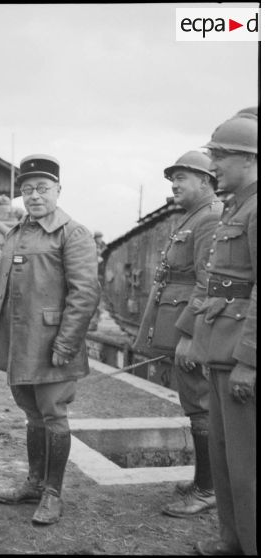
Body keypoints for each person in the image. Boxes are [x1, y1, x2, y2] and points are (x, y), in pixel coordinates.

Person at [0, 154, 100, 525]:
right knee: (32, 414)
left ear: (58, 190)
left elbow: (84, 295)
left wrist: (66, 344)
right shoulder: (17, 232)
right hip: (19, 344)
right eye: (28, 189)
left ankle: (53, 493)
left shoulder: (72, 233)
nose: (34, 195)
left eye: (43, 188)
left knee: (54, 415)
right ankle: (34, 484)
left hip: (50, 344)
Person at [134, 151, 222, 518]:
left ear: (205, 181)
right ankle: (205, 480)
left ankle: (207, 489)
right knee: (195, 403)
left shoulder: (210, 217)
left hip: (194, 328)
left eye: (182, 177)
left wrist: (189, 335)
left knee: (200, 405)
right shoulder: (193, 215)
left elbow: (208, 282)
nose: (174, 183)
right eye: (173, 177)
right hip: (180, 321)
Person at [188, 116, 257, 556]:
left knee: (248, 466)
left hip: (241, 357)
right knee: (225, 458)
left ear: (250, 160)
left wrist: (250, 361)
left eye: (220, 156)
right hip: (220, 351)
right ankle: (232, 540)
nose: (212, 165)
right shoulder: (236, 207)